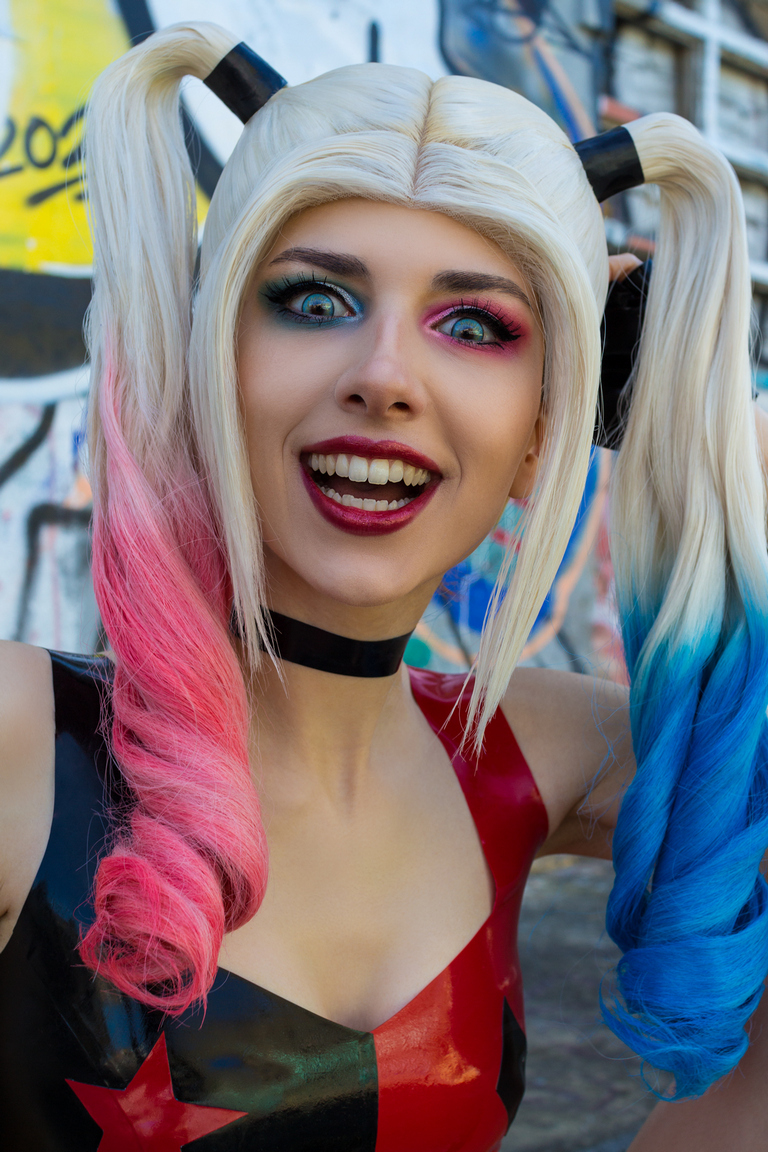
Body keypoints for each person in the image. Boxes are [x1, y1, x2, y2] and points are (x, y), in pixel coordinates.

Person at [1, 20, 767, 1151]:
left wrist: (712, 438)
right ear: (206, 355)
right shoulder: (24, 739)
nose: (385, 378)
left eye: (476, 325)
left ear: (545, 431)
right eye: (314, 302)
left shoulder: (542, 752)